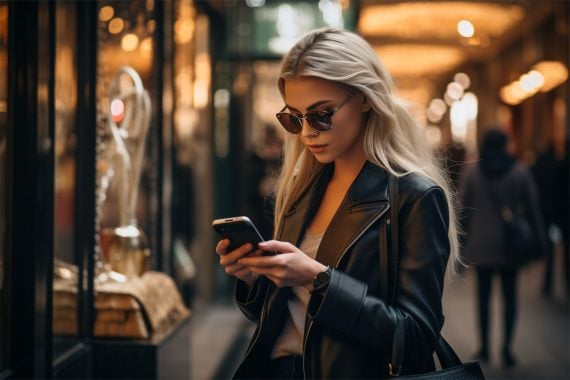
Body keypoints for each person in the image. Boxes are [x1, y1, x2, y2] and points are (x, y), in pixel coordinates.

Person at [216, 28, 460, 379]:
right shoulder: (302, 187)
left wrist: (319, 279)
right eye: (294, 118)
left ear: (364, 98)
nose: (306, 132)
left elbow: (417, 340)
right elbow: (288, 318)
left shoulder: (414, 197)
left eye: (321, 114)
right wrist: (258, 279)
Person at [460, 128, 546, 368]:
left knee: (483, 298)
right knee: (510, 298)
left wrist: (461, 241)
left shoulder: (474, 172)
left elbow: (463, 209)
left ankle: (484, 348)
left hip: (481, 245)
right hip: (510, 246)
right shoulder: (519, 172)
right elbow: (532, 209)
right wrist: (540, 241)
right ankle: (507, 349)